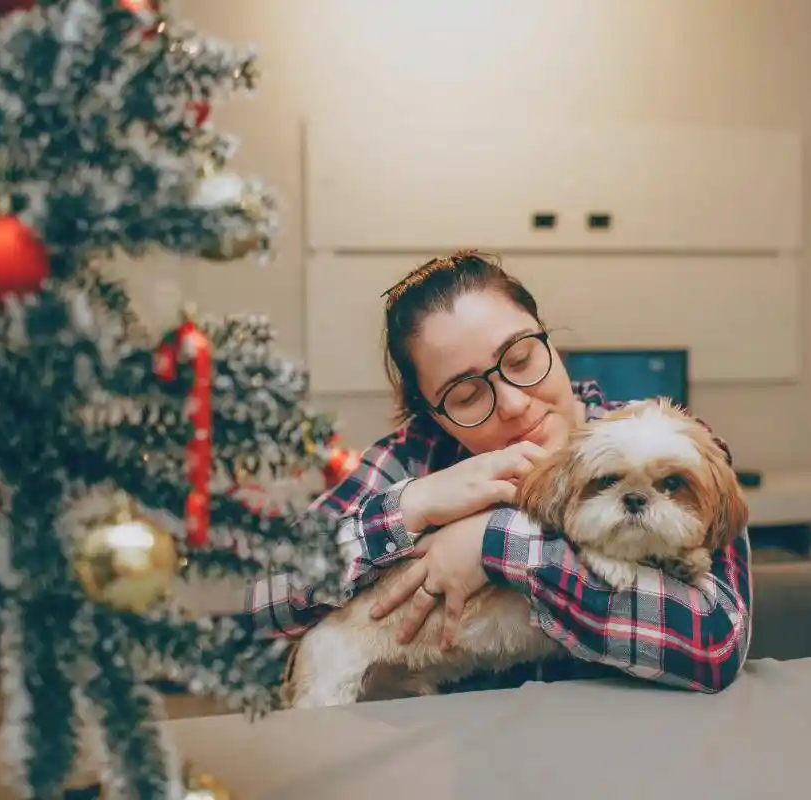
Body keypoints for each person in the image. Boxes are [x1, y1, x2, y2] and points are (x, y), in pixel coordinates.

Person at [247, 250, 752, 693]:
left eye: (522, 357)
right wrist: (414, 504)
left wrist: (491, 543)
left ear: (550, 341)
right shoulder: (415, 457)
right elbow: (264, 598)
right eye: (466, 396)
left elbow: (717, 645)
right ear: (433, 415)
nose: (513, 403)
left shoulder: (672, 440)